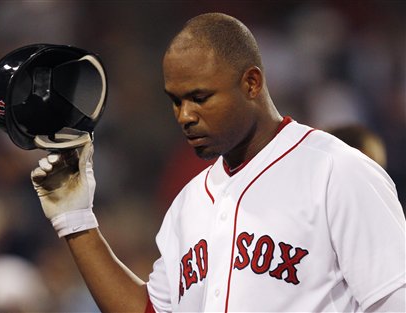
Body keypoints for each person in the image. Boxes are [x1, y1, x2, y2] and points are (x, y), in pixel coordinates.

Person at [30, 13, 405, 312]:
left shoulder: (337, 171)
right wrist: (76, 222)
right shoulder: (189, 203)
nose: (185, 115)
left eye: (200, 97)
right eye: (176, 100)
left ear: (252, 84)